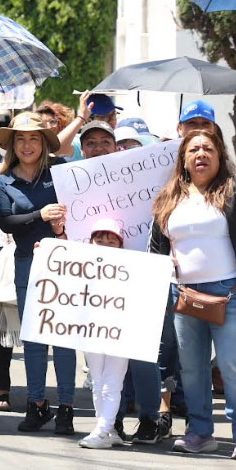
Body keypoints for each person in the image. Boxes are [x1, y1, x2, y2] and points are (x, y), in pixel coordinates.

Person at [78, 119, 167, 443]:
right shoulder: (73, 183)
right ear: (82, 148)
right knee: (101, 365)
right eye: (91, 142)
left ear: (115, 146)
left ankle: (148, 418)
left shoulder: (135, 179)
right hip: (91, 288)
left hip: (136, 280)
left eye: (105, 141)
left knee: (142, 357)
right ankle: (110, 424)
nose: (98, 147)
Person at [149, 128, 236, 456]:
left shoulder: (231, 191)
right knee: (192, 368)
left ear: (219, 157)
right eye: (194, 150)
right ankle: (200, 432)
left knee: (231, 365)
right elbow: (157, 249)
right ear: (183, 159)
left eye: (208, 149)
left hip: (228, 294)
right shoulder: (168, 197)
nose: (201, 154)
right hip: (183, 296)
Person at [0, 112, 75, 434]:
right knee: (34, 338)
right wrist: (40, 215)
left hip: (65, 263)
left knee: (65, 339)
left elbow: (80, 210)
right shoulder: (4, 180)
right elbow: (5, 222)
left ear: (44, 144)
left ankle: (66, 406)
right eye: (21, 139)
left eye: (33, 138)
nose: (27, 145)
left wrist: (61, 226)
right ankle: (37, 403)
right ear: (13, 144)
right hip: (27, 262)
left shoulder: (60, 172)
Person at [78, 217, 130, 450]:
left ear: (120, 245)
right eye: (100, 241)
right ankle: (105, 429)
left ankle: (103, 429)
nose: (106, 246)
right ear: (91, 243)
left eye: (112, 242)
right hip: (92, 330)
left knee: (112, 382)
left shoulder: (132, 268)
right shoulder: (80, 267)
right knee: (98, 381)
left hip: (121, 331)